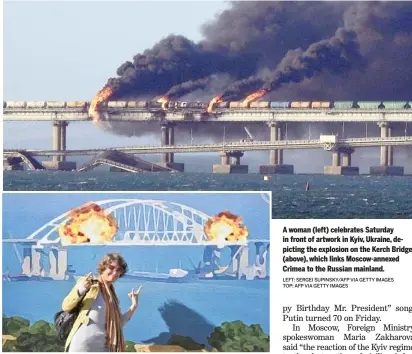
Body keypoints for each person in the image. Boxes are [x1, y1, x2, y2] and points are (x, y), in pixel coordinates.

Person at [61, 253, 141, 352]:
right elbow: (66, 306)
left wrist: (133, 306)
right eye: (111, 267)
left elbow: (118, 324)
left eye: (119, 270)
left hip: (104, 348)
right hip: (82, 347)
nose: (115, 272)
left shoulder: (112, 297)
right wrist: (82, 288)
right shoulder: (89, 284)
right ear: (103, 268)